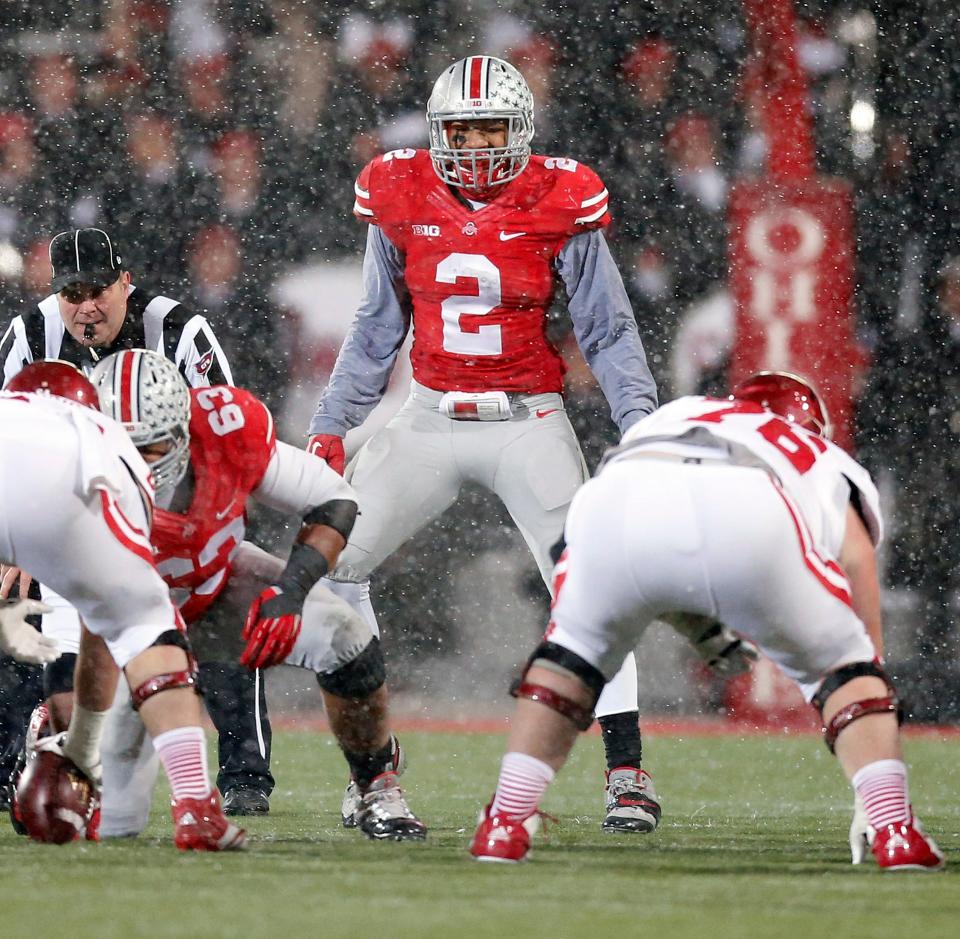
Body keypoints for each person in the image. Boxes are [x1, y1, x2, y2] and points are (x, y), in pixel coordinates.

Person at [306, 55, 661, 832]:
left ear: (521, 131)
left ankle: (627, 771)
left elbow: (607, 327)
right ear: (435, 131)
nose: (471, 145)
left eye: (489, 128)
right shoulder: (399, 190)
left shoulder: (558, 196)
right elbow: (376, 325)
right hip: (428, 415)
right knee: (333, 570)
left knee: (591, 578)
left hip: (527, 418)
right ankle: (375, 775)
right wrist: (332, 423)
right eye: (458, 130)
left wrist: (642, 425)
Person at [470, 372, 946, 872]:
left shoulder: (681, 412)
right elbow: (855, 560)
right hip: (753, 507)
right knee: (847, 673)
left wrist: (692, 630)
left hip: (617, 505)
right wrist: (867, 676)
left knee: (569, 660)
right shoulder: (818, 451)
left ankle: (504, 822)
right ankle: (894, 828)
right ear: (809, 423)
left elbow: (673, 531)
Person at [85, 350, 424, 842]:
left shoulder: (225, 428)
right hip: (123, 625)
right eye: (124, 449)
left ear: (183, 429)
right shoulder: (66, 480)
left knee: (348, 639)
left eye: (152, 448)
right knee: (113, 823)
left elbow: (334, 499)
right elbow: (69, 634)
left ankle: (376, 786)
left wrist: (291, 590)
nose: (138, 467)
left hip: (216, 585)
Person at [0, 227, 273, 817]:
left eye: (99, 289)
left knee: (220, 607)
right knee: (12, 605)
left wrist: (199, 528)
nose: (87, 307)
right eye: (72, 294)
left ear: (126, 281)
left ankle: (246, 774)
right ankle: (12, 767)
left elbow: (221, 435)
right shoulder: (31, 334)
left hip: (173, 501)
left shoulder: (179, 330)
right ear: (55, 295)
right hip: (69, 511)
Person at [0, 360, 245, 851]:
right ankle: (196, 806)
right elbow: (101, 630)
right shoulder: (103, 438)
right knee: (150, 630)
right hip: (77, 497)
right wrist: (85, 749)